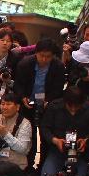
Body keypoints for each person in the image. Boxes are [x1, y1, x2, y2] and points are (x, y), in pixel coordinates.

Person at [13, 38, 67, 168]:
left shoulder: (58, 66)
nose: (44, 59)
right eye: (41, 55)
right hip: (28, 103)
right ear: (35, 53)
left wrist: (49, 101)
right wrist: (22, 97)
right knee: (29, 134)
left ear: (53, 56)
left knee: (45, 136)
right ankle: (28, 165)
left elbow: (58, 88)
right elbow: (18, 84)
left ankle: (42, 167)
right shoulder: (25, 64)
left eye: (48, 57)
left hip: (48, 105)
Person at [39, 86, 89, 176]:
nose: (73, 109)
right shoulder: (54, 106)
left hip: (80, 153)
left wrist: (86, 141)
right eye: (70, 106)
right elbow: (45, 127)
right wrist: (55, 140)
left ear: (82, 102)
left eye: (77, 106)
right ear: (65, 101)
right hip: (58, 150)